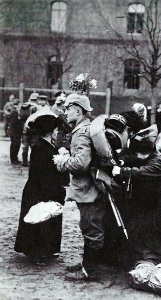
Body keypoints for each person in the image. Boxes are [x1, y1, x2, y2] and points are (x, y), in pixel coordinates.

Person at [112, 124, 161, 269]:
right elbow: (134, 159)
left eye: (138, 153)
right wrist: (124, 161)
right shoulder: (150, 155)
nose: (136, 156)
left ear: (146, 152)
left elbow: (143, 171)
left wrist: (121, 170)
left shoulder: (158, 161)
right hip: (159, 203)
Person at [53, 93, 102, 281]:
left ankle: (91, 271)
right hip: (89, 187)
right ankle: (87, 265)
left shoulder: (82, 132)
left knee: (91, 228)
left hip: (89, 188)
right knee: (88, 225)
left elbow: (81, 163)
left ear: (77, 110)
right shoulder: (82, 128)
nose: (65, 112)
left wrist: (63, 162)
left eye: (67, 108)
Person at [14, 110, 66, 265]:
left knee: (46, 220)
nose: (58, 133)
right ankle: (37, 253)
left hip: (43, 190)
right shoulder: (40, 149)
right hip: (40, 192)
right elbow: (42, 176)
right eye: (56, 130)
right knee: (40, 221)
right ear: (50, 132)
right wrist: (55, 191)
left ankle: (47, 250)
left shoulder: (46, 146)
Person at [9, 98, 23, 165]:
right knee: (15, 145)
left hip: (15, 131)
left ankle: (15, 158)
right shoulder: (14, 111)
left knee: (16, 145)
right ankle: (13, 159)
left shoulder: (15, 110)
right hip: (15, 131)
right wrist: (19, 119)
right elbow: (14, 122)